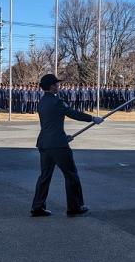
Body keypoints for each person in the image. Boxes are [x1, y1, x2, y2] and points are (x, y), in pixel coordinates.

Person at [30, 74, 103, 217]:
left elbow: (51, 124)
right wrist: (92, 118)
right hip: (58, 145)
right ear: (51, 86)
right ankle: (74, 206)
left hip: (45, 143)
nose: (59, 86)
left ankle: (37, 206)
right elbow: (73, 113)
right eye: (57, 84)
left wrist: (64, 137)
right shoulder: (57, 101)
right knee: (71, 174)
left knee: (44, 176)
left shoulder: (42, 101)